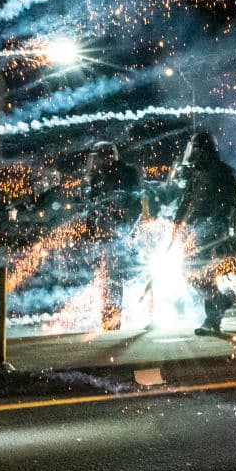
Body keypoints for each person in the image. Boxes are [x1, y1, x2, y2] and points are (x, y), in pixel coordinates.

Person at [168, 131, 236, 337]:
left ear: (204, 151)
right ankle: (220, 302)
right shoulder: (198, 173)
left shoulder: (224, 173)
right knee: (192, 272)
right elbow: (187, 202)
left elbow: (227, 207)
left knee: (203, 273)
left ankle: (213, 318)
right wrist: (177, 225)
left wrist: (218, 234)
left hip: (212, 233)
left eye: (196, 149)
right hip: (196, 232)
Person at [83, 141, 143, 331]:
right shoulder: (109, 175)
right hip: (114, 234)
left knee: (112, 278)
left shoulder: (117, 175)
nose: (95, 162)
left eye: (98, 157)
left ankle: (111, 319)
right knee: (111, 278)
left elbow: (133, 205)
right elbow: (94, 208)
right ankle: (111, 318)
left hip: (116, 234)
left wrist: (125, 228)